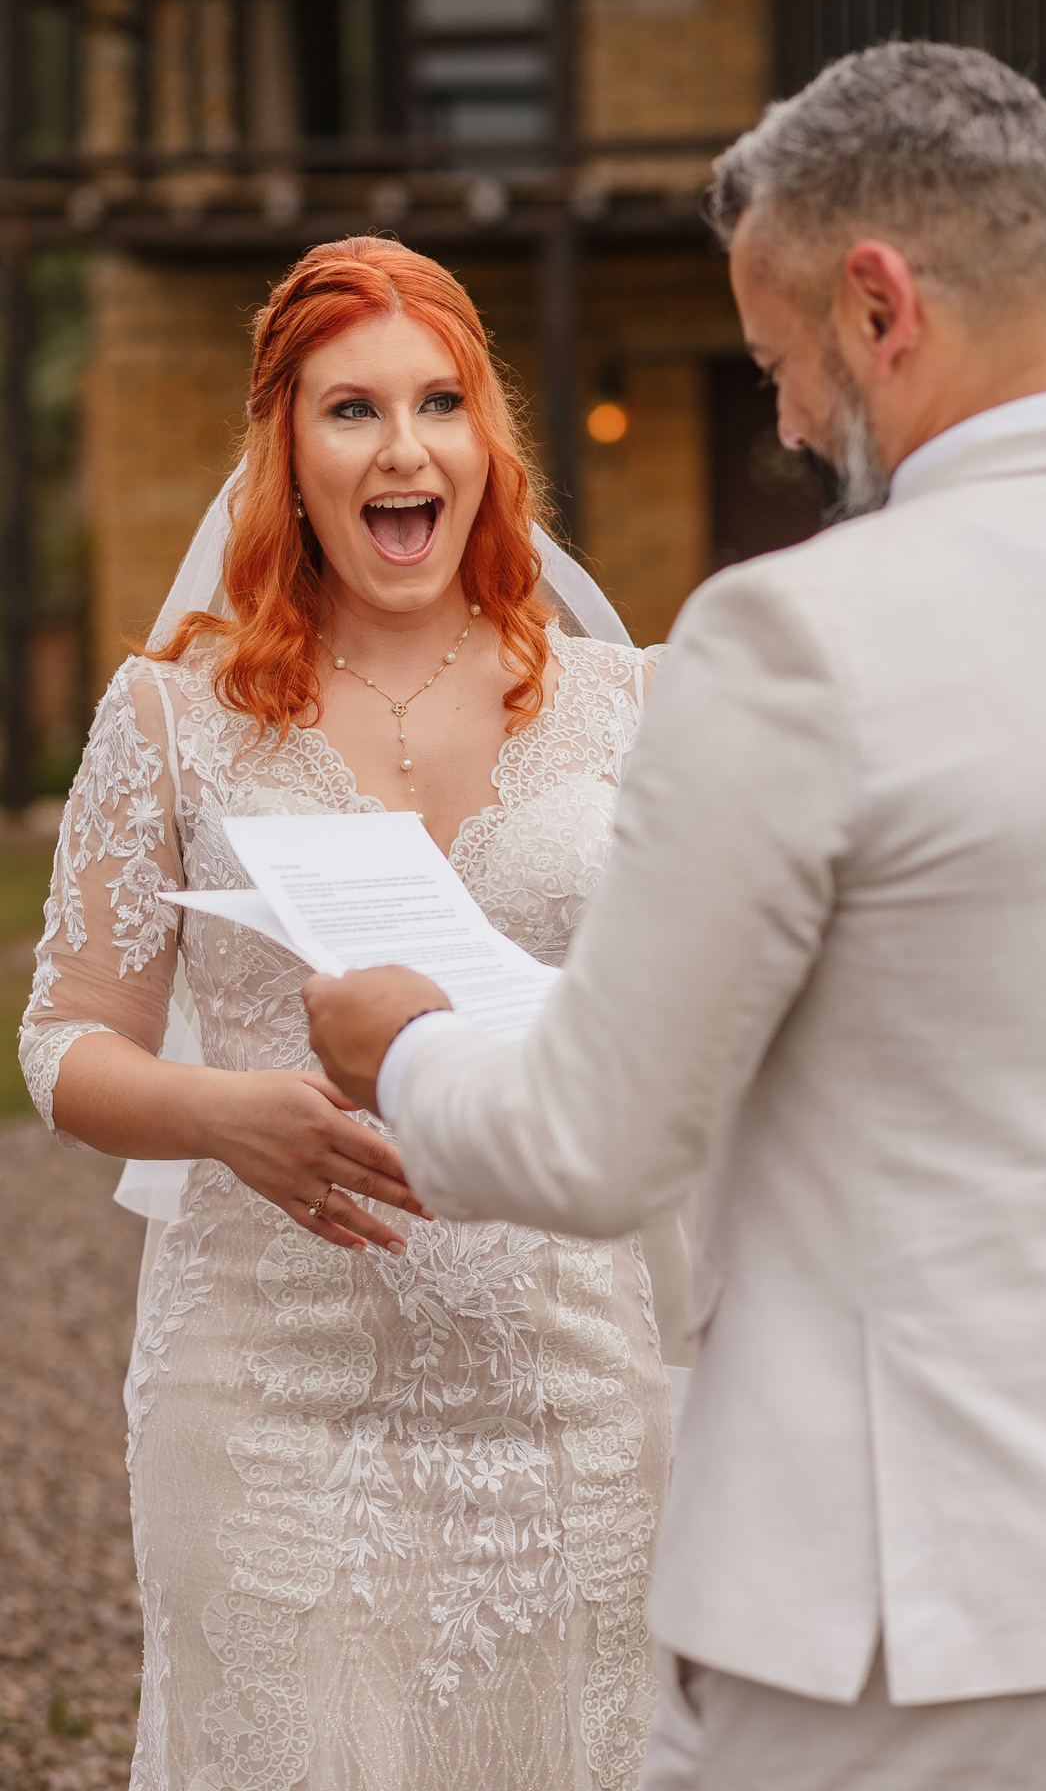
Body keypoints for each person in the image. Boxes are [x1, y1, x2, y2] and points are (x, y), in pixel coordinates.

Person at [305, 43, 1046, 1791]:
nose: (782, 419)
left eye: (779, 360)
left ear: (879, 305)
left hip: (892, 1611)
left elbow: (588, 1141)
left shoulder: (798, 639)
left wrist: (400, 1040)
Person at [20, 236, 688, 1791]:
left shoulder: (626, 705)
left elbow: (687, 1026)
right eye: (352, 410)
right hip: (265, 1393)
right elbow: (64, 1040)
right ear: (284, 451)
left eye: (443, 402)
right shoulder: (172, 717)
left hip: (566, 1387)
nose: (405, 448)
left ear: (489, 444)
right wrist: (219, 1116)